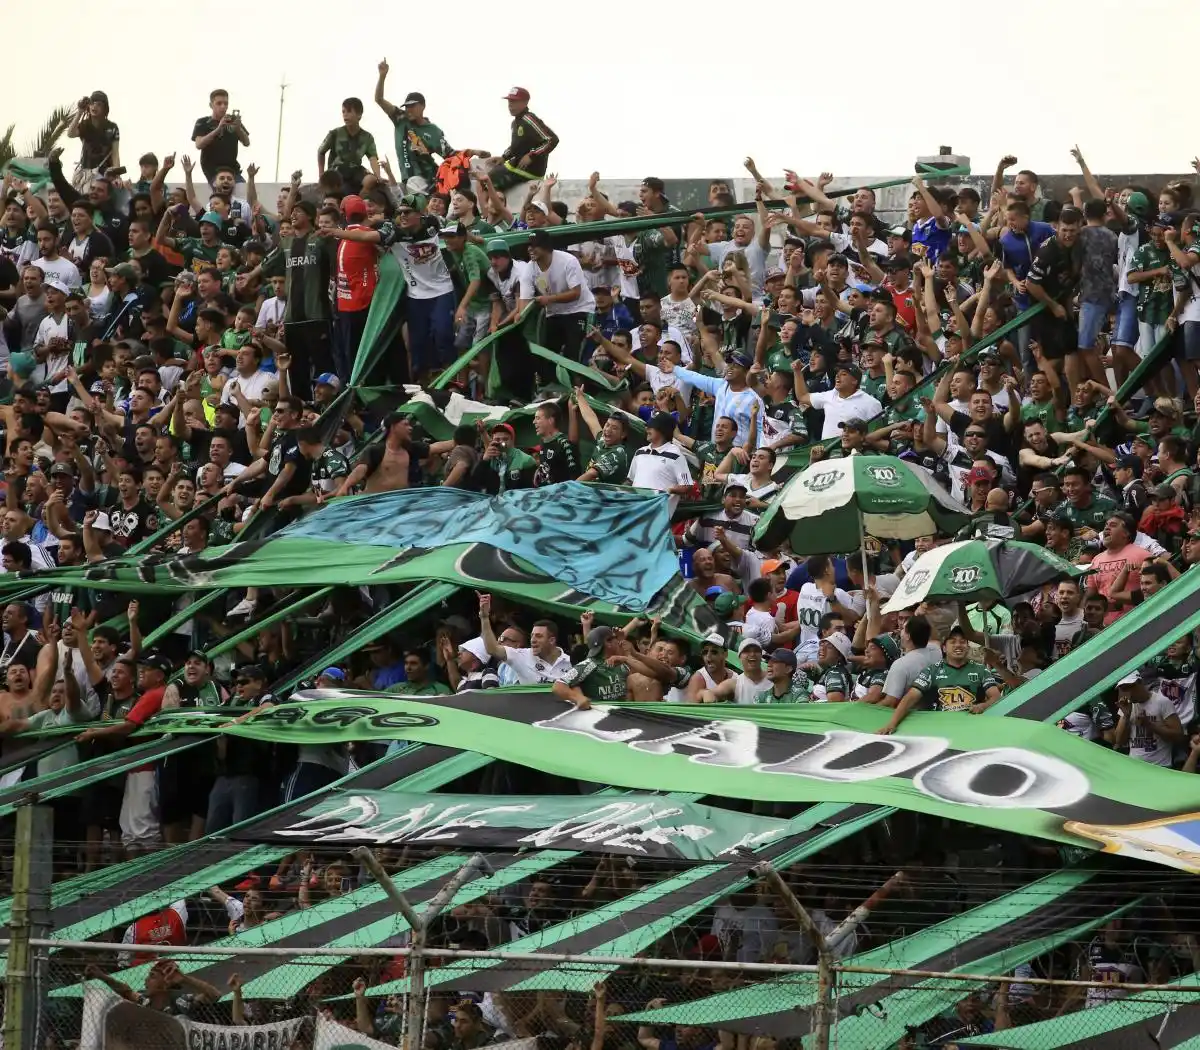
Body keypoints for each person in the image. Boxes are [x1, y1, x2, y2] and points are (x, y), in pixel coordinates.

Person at [878, 624, 1003, 734]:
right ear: (944, 648)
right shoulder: (932, 671)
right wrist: (892, 723)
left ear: (968, 647)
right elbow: (909, 698)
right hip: (940, 728)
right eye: (953, 642)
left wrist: (983, 706)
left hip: (972, 728)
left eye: (962, 642)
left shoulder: (981, 670)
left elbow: (996, 697)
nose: (958, 645)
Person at [517, 229, 595, 361]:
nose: (530, 249)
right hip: (554, 313)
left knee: (573, 354)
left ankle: (577, 381)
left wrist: (548, 299)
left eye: (535, 246)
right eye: (529, 246)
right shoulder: (529, 268)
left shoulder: (568, 261)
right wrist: (520, 316)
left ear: (546, 246)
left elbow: (576, 293)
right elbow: (525, 299)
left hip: (579, 309)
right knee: (548, 355)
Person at [374, 62, 453, 190]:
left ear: (423, 106)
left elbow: (450, 154)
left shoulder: (434, 131)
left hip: (431, 179)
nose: (408, 109)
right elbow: (379, 99)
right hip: (410, 180)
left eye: (412, 106)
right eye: (407, 106)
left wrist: (473, 153)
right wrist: (382, 76)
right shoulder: (400, 118)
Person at [478, 594, 571, 684]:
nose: (533, 640)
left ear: (551, 640)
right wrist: (484, 617)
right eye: (532, 636)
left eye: (539, 636)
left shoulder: (570, 662)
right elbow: (492, 649)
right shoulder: (522, 657)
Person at [488, 87, 558, 190]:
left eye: (514, 102)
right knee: (488, 174)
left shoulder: (529, 119)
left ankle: (488, 206)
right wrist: (503, 157)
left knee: (488, 179)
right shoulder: (515, 122)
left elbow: (552, 139)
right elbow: (517, 146)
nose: (510, 105)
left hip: (530, 170)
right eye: (509, 102)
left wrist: (531, 155)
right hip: (516, 167)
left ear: (525, 102)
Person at [192, 89, 250, 184]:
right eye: (219, 103)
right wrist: (218, 129)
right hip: (213, 171)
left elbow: (247, 143)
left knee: (245, 193)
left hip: (233, 170)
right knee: (222, 192)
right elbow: (199, 144)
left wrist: (238, 129)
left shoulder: (233, 120)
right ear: (211, 105)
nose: (223, 106)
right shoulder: (202, 122)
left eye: (225, 103)